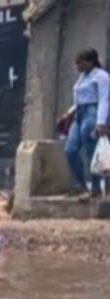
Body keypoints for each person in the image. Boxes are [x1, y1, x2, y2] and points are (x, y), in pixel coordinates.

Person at [64, 47, 110, 198]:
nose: (78, 67)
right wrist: (69, 113)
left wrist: (101, 122)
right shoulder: (82, 77)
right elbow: (81, 98)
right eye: (77, 63)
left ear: (90, 62)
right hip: (79, 113)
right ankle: (80, 185)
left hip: (93, 113)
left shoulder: (101, 76)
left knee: (91, 151)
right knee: (70, 149)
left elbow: (104, 99)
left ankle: (95, 188)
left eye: (81, 63)